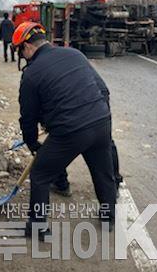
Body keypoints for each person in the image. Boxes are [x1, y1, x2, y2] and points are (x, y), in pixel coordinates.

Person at [12, 22, 117, 238]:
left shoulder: (31, 74)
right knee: (103, 172)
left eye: (20, 51)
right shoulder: (74, 54)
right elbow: (103, 90)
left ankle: (37, 227)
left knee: (40, 173)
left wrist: (33, 144)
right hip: (100, 122)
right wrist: (99, 117)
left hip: (71, 130)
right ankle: (109, 217)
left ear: (27, 47)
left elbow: (28, 117)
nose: (22, 57)